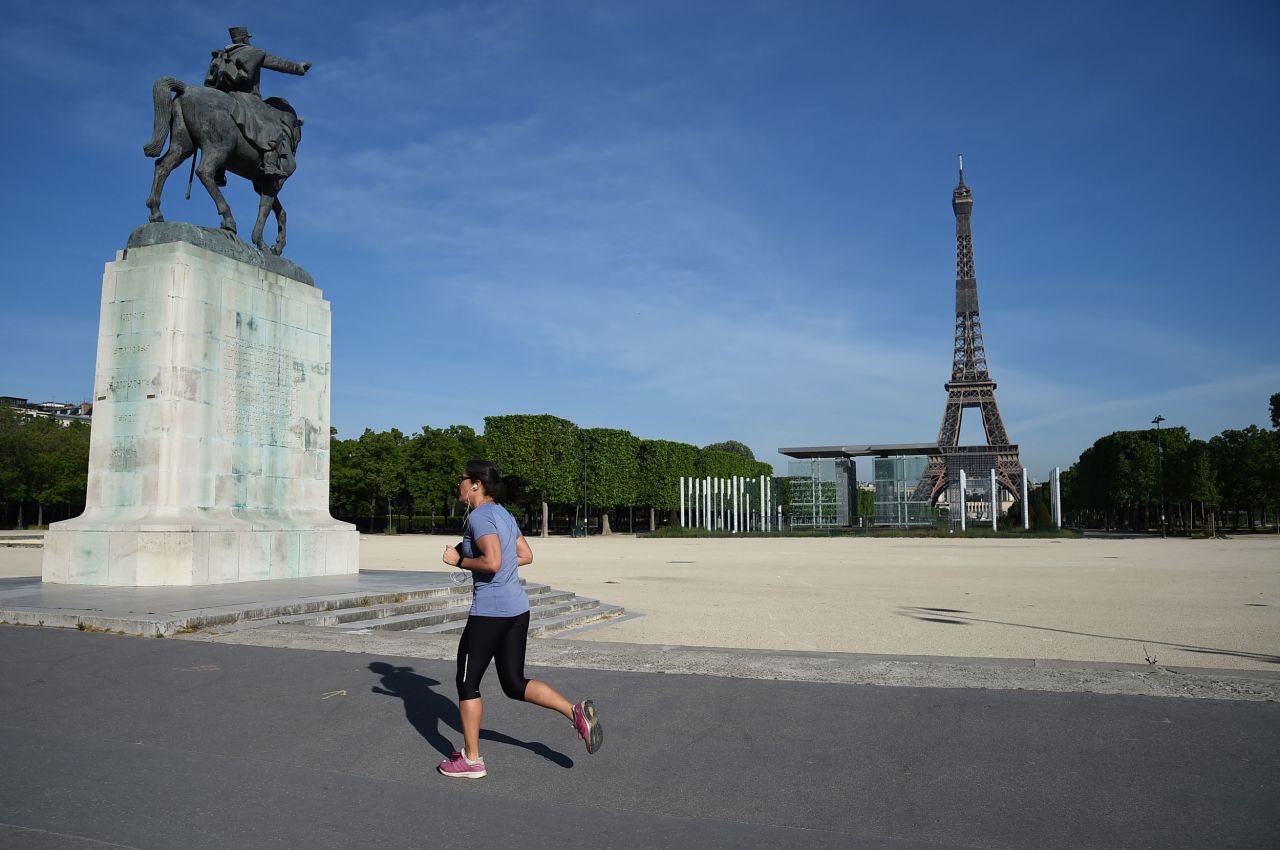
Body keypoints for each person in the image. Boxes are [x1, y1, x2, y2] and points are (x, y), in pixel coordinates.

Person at [437, 459, 603, 779]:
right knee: (514, 683)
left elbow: (494, 560)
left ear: (475, 484)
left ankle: (472, 760)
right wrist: (492, 564)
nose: (458, 483)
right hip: (516, 609)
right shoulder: (502, 513)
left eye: (462, 478)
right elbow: (525, 555)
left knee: (467, 683)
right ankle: (574, 711)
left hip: (489, 613)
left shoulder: (481, 516)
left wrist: (460, 560)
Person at [205, 26, 310, 178]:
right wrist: (299, 68)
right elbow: (279, 63)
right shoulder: (253, 53)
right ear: (245, 39)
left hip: (224, 97)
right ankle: (270, 164)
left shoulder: (221, 56)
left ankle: (219, 170)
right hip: (247, 98)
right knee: (273, 128)